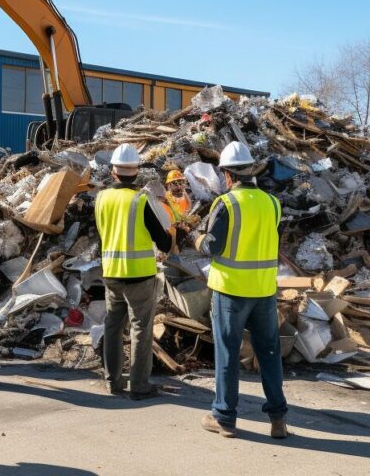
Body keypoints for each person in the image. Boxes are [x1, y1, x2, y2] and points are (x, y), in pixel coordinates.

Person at [195, 141, 288, 439]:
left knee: (227, 354)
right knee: (270, 354)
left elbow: (213, 246)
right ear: (250, 171)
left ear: (227, 175)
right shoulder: (272, 203)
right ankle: (278, 419)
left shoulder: (226, 203)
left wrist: (196, 239)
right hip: (263, 291)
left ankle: (224, 417)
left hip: (231, 291)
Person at [95, 144, 173, 400]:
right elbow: (162, 242)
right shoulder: (141, 200)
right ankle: (139, 385)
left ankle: (112, 382)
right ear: (136, 172)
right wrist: (173, 235)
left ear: (114, 173)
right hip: (139, 276)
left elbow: (103, 233)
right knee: (141, 329)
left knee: (113, 327)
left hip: (111, 274)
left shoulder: (102, 198)